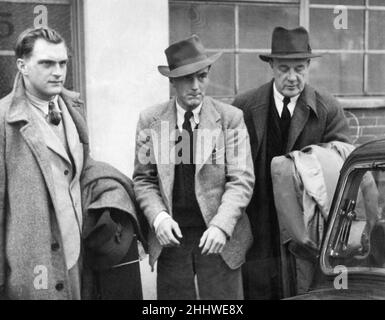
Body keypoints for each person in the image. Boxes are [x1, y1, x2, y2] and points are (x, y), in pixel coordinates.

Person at [0, 27, 142, 300]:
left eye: (63, 63)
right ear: (22, 66)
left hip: (79, 254)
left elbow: (79, 167)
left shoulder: (72, 106)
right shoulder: (5, 119)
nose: (58, 71)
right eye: (47, 63)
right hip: (32, 265)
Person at [232, 26, 351, 299]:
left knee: (304, 288)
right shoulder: (245, 107)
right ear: (271, 66)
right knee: (259, 288)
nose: (292, 77)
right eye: (284, 68)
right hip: (258, 222)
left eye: (299, 68)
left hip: (307, 225)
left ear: (309, 66)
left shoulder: (327, 109)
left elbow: (340, 170)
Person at [133, 35, 255, 300]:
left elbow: (241, 179)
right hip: (172, 240)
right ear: (172, 81)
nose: (196, 86)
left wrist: (222, 226)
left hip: (219, 239)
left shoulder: (230, 119)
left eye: (202, 76)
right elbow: (144, 180)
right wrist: (158, 218)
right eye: (187, 78)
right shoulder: (150, 121)